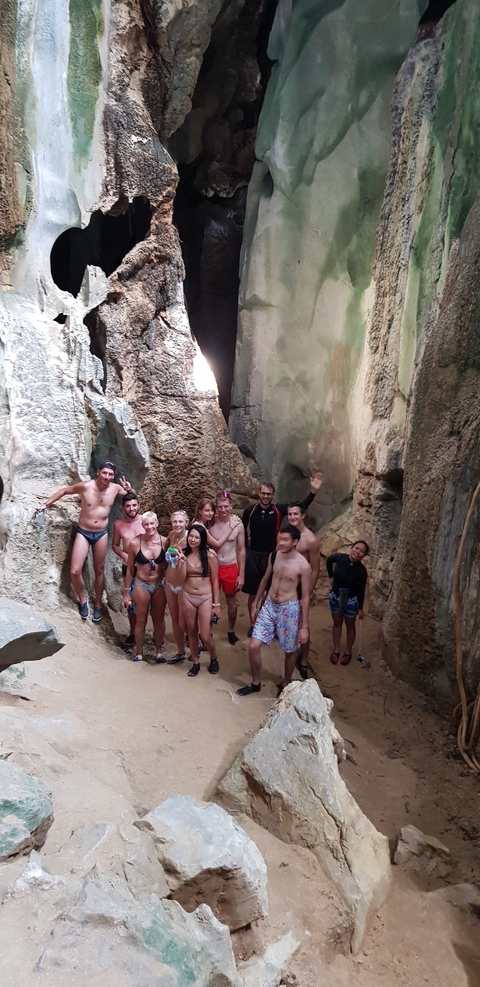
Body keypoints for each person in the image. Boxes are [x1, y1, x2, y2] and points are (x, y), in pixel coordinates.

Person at [37, 461, 132, 621]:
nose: (107, 477)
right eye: (104, 473)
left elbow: (131, 496)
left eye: (110, 474)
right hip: (84, 532)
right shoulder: (86, 486)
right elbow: (65, 491)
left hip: (101, 533)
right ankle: (82, 600)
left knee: (99, 571)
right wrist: (46, 504)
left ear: (113, 476)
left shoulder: (115, 488)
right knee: (75, 570)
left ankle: (98, 605)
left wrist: (130, 488)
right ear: (98, 472)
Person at [242, 473, 324, 633]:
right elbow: (242, 529)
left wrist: (313, 492)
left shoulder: (278, 509)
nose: (265, 496)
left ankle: (269, 623)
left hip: (272, 555)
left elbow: (299, 508)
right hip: (253, 555)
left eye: (269, 494)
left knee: (270, 591)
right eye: (263, 493)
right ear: (259, 493)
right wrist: (245, 549)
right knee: (253, 593)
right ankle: (253, 624)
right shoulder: (250, 511)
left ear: (273, 495)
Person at [238, 525, 311, 696]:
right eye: (280, 538)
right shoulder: (276, 555)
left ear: (295, 542)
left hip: (289, 609)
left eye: (285, 540)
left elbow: (305, 596)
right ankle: (255, 682)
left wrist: (304, 626)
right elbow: (265, 579)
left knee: (289, 650)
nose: (281, 542)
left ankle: (285, 682)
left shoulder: (303, 565)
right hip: (270, 604)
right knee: (254, 645)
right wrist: (255, 602)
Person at [123, 511, 168, 663]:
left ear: (157, 524)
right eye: (146, 524)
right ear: (142, 525)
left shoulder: (165, 542)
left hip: (159, 585)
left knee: (159, 619)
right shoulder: (135, 543)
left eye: (152, 523)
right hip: (141, 584)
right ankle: (139, 652)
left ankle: (159, 651)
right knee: (140, 620)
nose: (149, 527)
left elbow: (168, 566)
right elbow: (130, 568)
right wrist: (126, 592)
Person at [177, 524, 220, 677]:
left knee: (206, 635)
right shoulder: (184, 553)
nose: (193, 540)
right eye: (191, 536)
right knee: (191, 630)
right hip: (188, 595)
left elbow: (215, 581)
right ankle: (195, 661)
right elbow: (180, 579)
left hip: (205, 597)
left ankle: (214, 657)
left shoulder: (210, 556)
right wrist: (180, 563)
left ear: (202, 539)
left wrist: (216, 604)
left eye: (197, 537)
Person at [286, 502, 321, 679]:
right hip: (287, 584)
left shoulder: (310, 540)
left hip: (302, 586)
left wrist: (308, 592)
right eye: (290, 514)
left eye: (295, 514)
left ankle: (304, 660)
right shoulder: (287, 535)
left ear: (303, 516)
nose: (292, 517)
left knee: (302, 624)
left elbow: (315, 569)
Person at [208, 491, 245, 644]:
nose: (223, 510)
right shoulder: (210, 522)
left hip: (230, 565)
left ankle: (231, 630)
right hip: (214, 566)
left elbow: (241, 550)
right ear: (216, 507)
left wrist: (241, 574)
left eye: (225, 506)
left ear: (231, 506)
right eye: (220, 507)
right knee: (209, 599)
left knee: (231, 599)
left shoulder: (238, 524)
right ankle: (207, 630)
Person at [326, 541, 368, 666]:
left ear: (364, 555)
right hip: (335, 596)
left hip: (350, 600)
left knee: (350, 625)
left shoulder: (361, 570)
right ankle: (336, 650)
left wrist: (360, 608)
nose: (358, 552)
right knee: (337, 623)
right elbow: (329, 560)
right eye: (356, 548)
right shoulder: (339, 558)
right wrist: (331, 576)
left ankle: (348, 652)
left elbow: (361, 590)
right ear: (352, 548)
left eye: (361, 551)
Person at [112, 492, 144, 645]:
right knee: (130, 603)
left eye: (134, 505)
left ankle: (146, 632)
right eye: (128, 506)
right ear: (123, 507)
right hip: (128, 568)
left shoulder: (146, 520)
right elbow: (115, 545)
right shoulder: (118, 524)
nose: (131, 508)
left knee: (147, 602)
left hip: (145, 568)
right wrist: (123, 555)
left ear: (138, 505)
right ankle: (132, 633)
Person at [164, 510, 189, 665]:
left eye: (181, 521)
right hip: (169, 582)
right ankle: (180, 651)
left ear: (186, 522)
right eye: (175, 521)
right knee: (174, 618)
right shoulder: (171, 535)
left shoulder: (190, 538)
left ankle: (196, 645)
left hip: (184, 584)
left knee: (184, 620)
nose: (177, 524)